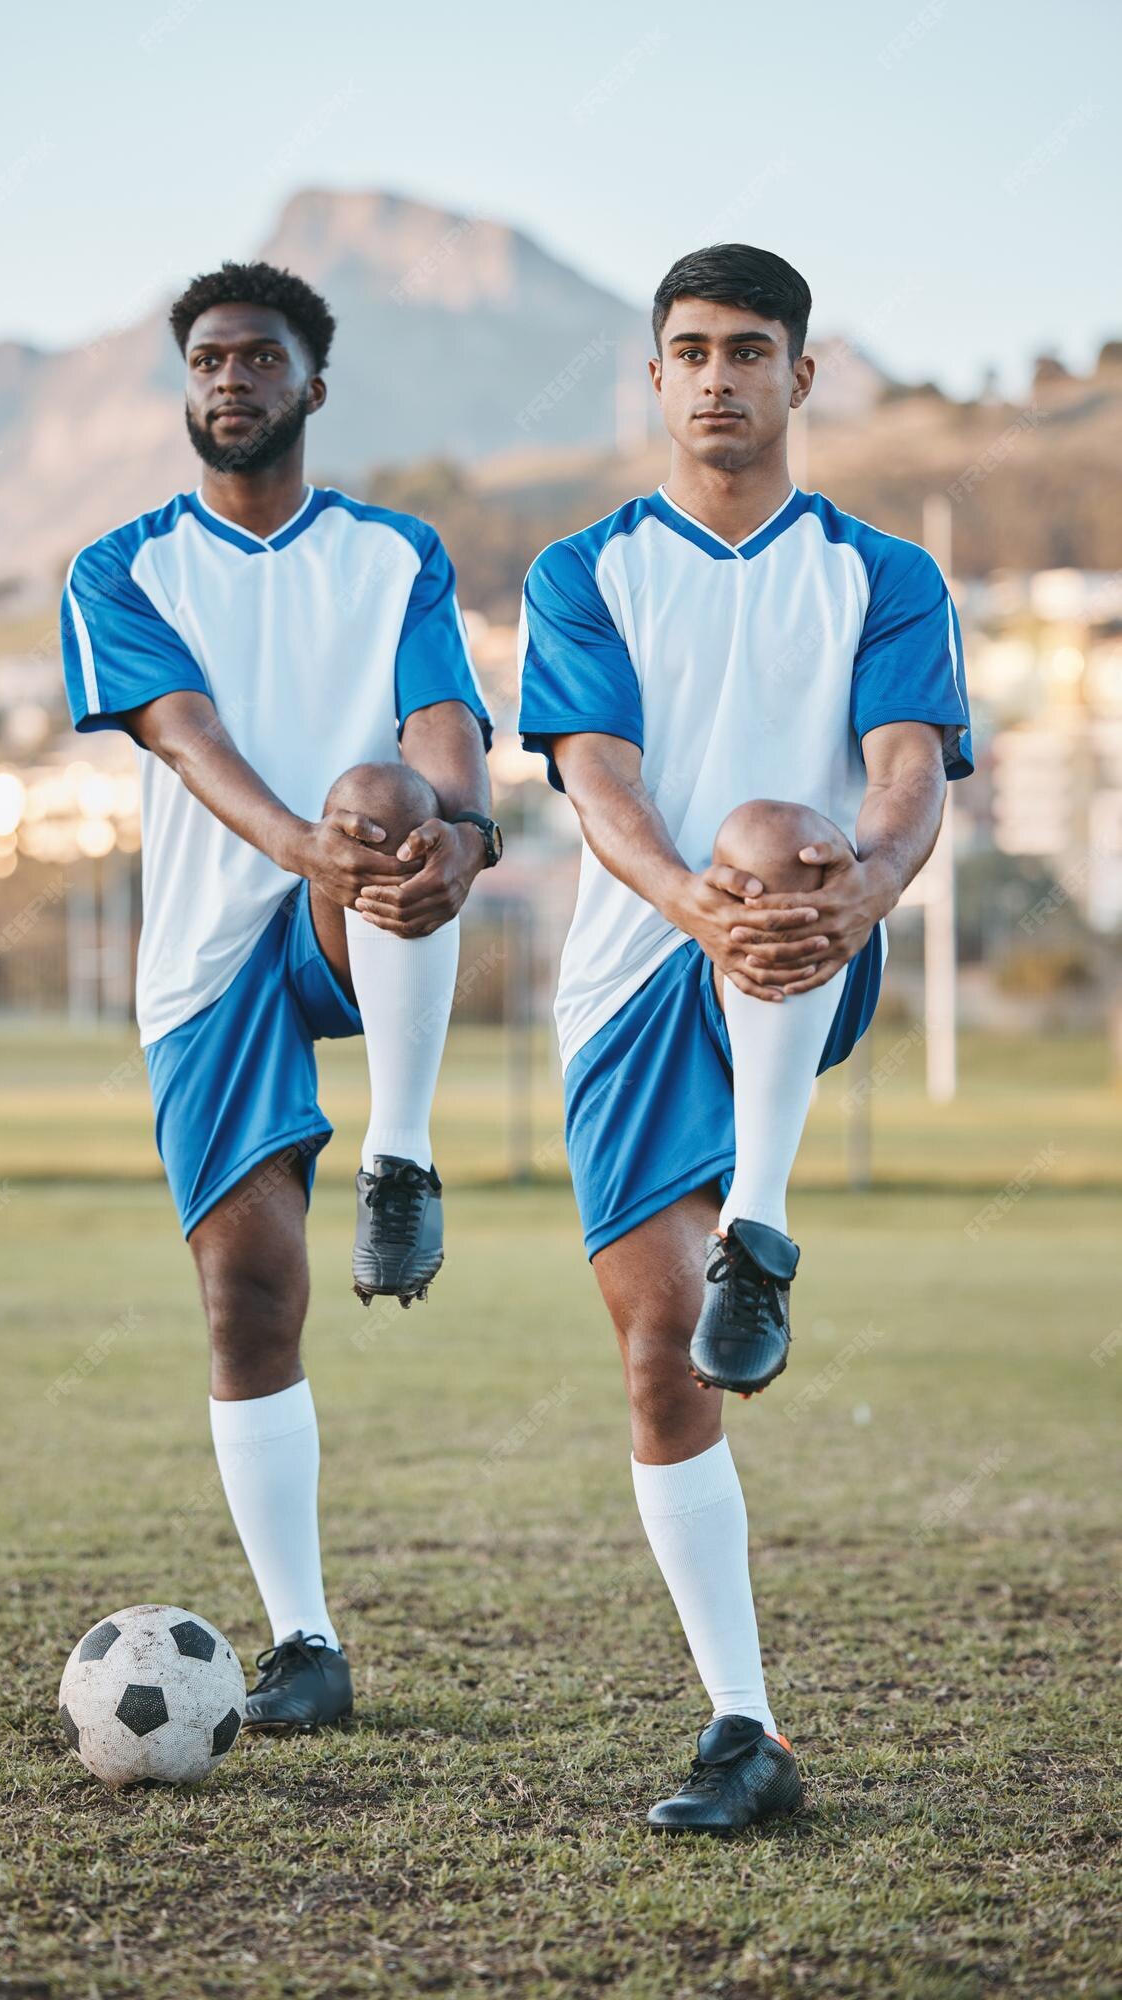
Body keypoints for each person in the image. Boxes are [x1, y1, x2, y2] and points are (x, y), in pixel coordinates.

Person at [517, 242, 972, 1831]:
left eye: (750, 348)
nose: (719, 374)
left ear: (802, 373)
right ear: (654, 379)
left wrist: (873, 894)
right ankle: (744, 1732)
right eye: (690, 349)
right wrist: (691, 911)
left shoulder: (882, 573)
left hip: (804, 932)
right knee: (657, 1357)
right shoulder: (583, 571)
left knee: (782, 826)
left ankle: (761, 1231)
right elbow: (602, 790)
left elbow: (904, 776)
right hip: (635, 976)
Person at [61, 260, 500, 1730]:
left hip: (354, 896)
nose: (229, 380)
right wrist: (309, 838)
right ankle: (304, 1640)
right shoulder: (122, 567)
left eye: (257, 358)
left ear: (313, 384)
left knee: (394, 788)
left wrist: (465, 827)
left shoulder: (391, 555)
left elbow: (444, 731)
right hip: (209, 950)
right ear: (186, 387)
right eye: (205, 360)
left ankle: (402, 1155)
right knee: (248, 1298)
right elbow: (183, 737)